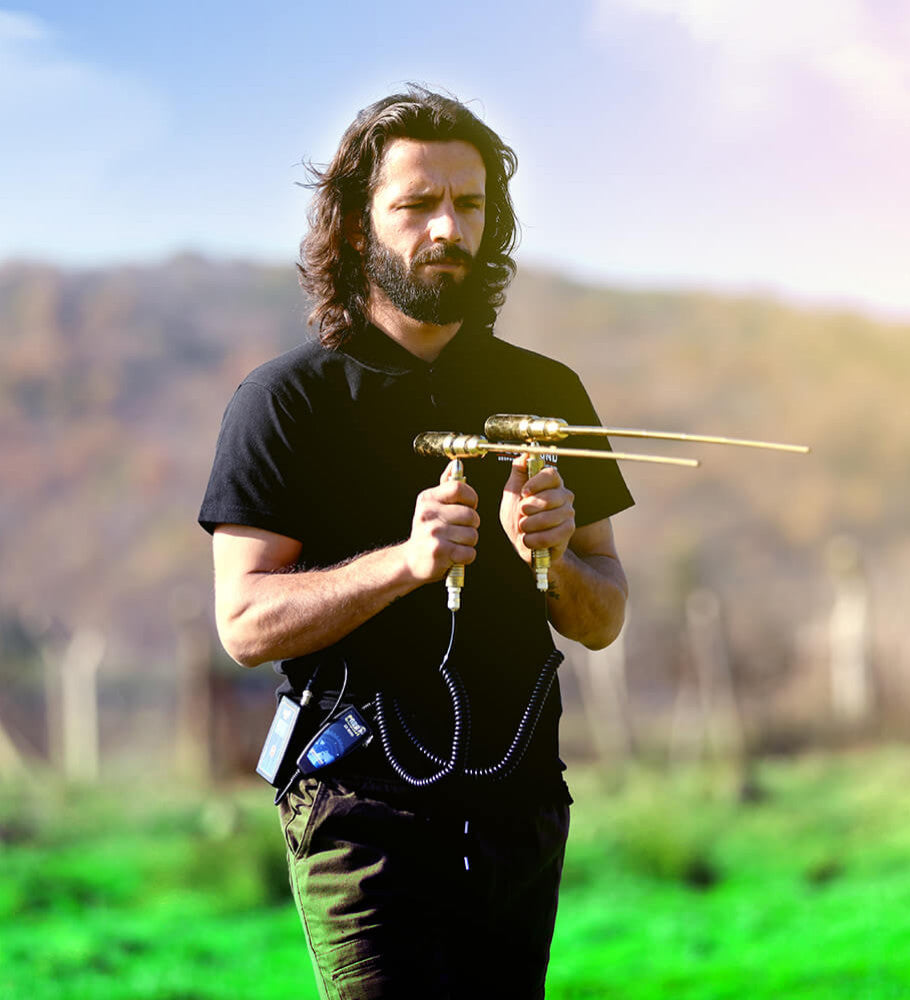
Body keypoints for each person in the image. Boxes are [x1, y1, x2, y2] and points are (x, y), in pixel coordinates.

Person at [198, 86, 633, 999]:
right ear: (359, 230)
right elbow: (243, 622)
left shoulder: (547, 393)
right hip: (357, 809)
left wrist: (551, 559)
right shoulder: (285, 403)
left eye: (469, 205)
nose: (447, 228)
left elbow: (603, 618)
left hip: (518, 806)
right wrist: (404, 565)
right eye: (417, 204)